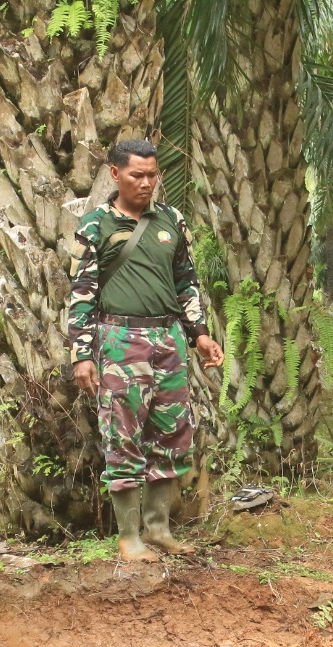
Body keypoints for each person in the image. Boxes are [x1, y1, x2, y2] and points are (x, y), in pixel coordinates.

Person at [68, 140, 226, 562]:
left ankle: (158, 529)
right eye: (137, 175)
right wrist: (82, 353)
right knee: (123, 435)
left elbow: (186, 281)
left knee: (172, 433)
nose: (147, 183)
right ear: (115, 174)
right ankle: (128, 537)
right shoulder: (97, 224)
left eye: (153, 174)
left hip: (169, 338)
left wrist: (200, 334)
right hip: (121, 340)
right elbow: (82, 293)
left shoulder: (171, 220)